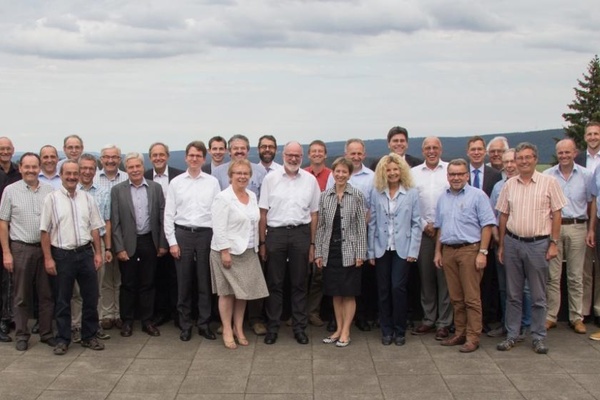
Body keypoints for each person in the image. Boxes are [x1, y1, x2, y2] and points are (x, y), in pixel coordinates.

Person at [496, 142, 566, 354]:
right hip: (513, 243)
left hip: (538, 244)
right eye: (520, 158)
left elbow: (557, 214)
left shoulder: (549, 182)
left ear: (535, 159)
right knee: (513, 294)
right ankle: (512, 335)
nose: (523, 161)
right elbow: (504, 215)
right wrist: (501, 244)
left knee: (537, 295)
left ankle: (538, 336)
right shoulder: (509, 185)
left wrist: (553, 243)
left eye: (528, 157)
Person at [40, 160, 105, 355]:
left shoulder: (87, 198)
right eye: (68, 173)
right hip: (62, 255)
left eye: (75, 173)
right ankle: (63, 339)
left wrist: (98, 253)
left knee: (91, 297)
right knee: (63, 299)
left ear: (79, 176)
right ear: (61, 175)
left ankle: (89, 336)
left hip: (85, 253)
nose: (72, 177)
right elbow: (44, 231)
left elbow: (95, 227)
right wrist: (48, 258)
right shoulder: (51, 199)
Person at [259, 141, 320, 345]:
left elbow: (314, 214)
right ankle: (273, 327)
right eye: (290, 154)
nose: (293, 158)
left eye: (297, 155)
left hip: (301, 234)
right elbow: (263, 213)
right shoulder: (271, 179)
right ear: (283, 154)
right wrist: (262, 242)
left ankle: (300, 328)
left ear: (302, 157)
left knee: (300, 283)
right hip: (275, 234)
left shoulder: (310, 180)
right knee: (274, 283)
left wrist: (312, 244)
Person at [433, 159, 496, 353]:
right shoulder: (443, 198)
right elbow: (440, 228)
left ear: (467, 176)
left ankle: (473, 336)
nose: (456, 177)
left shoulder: (478, 196)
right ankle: (459, 333)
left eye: (460, 174)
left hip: (470, 250)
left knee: (471, 298)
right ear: (448, 176)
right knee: (456, 297)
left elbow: (487, 225)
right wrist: (438, 251)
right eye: (452, 174)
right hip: (449, 251)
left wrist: (483, 252)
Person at [164, 141, 221, 342]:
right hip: (183, 235)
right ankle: (185, 324)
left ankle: (204, 324)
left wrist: (217, 241)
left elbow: (217, 212)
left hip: (206, 234)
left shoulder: (212, 182)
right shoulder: (176, 183)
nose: (195, 158)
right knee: (184, 282)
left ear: (203, 159)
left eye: (198, 155)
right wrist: (172, 242)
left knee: (205, 282)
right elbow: (169, 214)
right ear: (186, 157)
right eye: (191, 155)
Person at [210, 159, 269, 349]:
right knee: (227, 293)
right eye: (238, 173)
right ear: (230, 176)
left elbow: (254, 222)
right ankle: (227, 329)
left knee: (243, 294)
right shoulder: (223, 198)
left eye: (245, 173)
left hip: (248, 252)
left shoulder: (251, 195)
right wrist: (225, 252)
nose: (242, 176)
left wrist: (258, 246)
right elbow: (218, 228)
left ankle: (238, 328)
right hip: (227, 252)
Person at [0, 153, 55, 351]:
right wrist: (6, 252)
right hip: (20, 247)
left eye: (34, 167)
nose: (31, 170)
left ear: (39, 169)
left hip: (45, 248)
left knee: (46, 294)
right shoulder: (10, 191)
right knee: (21, 295)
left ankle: (47, 333)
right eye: (27, 167)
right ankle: (22, 335)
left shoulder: (49, 191)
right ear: (21, 168)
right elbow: (3, 223)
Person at [111, 152, 168, 337]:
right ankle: (127, 321)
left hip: (149, 240)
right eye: (130, 167)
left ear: (143, 167)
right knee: (127, 284)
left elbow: (161, 218)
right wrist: (119, 248)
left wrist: (162, 244)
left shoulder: (155, 188)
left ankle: (147, 321)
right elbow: (115, 221)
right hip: (128, 242)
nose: (135, 170)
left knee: (148, 283)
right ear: (125, 169)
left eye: (138, 166)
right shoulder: (118, 190)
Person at [369, 154, 421, 346]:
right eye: (388, 170)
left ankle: (400, 330)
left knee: (397, 288)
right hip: (382, 247)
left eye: (395, 169)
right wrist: (370, 251)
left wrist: (413, 250)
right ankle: (386, 330)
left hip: (403, 248)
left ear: (402, 171)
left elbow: (416, 223)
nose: (392, 173)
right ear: (383, 172)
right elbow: (372, 222)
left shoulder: (411, 192)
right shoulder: (377, 192)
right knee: (383, 290)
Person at [544, 138, 594, 334]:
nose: (564, 156)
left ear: (575, 153)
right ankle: (551, 316)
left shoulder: (586, 175)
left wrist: (590, 229)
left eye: (568, 152)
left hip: (577, 226)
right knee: (553, 276)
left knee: (575, 275)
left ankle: (576, 317)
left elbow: (592, 204)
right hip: (554, 228)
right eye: (560, 153)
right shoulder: (548, 175)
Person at [315, 157, 367, 347]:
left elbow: (361, 227)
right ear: (333, 172)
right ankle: (338, 328)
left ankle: (346, 331)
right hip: (331, 250)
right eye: (337, 171)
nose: (340, 175)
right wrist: (319, 252)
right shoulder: (325, 196)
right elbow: (321, 227)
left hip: (350, 251)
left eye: (345, 172)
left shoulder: (357, 195)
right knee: (335, 293)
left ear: (349, 174)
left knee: (348, 293)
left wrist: (361, 254)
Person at [326, 139, 375, 331]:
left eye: (359, 153)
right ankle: (336, 321)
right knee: (336, 282)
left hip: (358, 235)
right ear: (346, 154)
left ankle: (359, 317)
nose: (355, 157)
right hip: (336, 237)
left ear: (364, 154)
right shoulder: (334, 176)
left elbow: (371, 208)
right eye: (352, 153)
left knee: (357, 281)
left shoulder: (370, 177)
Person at [487, 149, 532, 340]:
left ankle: (526, 324)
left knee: (525, 287)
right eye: (506, 162)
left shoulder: (530, 185)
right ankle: (508, 325)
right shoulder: (498, 187)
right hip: (503, 243)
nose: (510, 165)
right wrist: (497, 237)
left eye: (512, 161)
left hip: (526, 241)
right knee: (505, 287)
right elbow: (492, 215)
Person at [410, 137, 452, 339]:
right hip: (423, 231)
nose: (432, 151)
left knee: (444, 279)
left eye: (435, 147)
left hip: (447, 232)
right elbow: (411, 203)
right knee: (426, 277)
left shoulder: (449, 170)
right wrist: (424, 224)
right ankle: (428, 319)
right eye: (428, 148)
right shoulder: (414, 173)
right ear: (422, 150)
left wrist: (440, 226)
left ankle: (444, 322)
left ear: (441, 149)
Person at [71, 154, 113, 343]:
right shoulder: (69, 191)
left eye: (91, 169)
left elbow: (107, 222)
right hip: (75, 245)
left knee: (96, 289)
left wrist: (107, 248)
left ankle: (93, 327)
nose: (87, 172)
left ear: (96, 171)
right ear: (78, 170)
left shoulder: (103, 193)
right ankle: (76, 326)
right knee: (76, 291)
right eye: (84, 168)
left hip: (98, 245)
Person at [144, 142, 184, 328]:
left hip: (176, 231)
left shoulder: (179, 176)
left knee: (176, 275)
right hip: (153, 234)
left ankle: (178, 312)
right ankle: (161, 312)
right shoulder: (143, 177)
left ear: (167, 156)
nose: (158, 158)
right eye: (154, 155)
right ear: (150, 157)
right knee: (156, 275)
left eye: (161, 154)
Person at [94, 144, 128, 331]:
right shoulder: (93, 178)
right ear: (101, 158)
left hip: (123, 236)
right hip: (101, 235)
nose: (110, 160)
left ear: (120, 159)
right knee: (106, 277)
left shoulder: (126, 177)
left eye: (114, 157)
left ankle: (120, 314)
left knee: (122, 277)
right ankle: (107, 314)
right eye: (106, 157)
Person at [305, 140, 333, 330]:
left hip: (325, 229)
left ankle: (312, 311)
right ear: (309, 155)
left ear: (325, 154)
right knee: (300, 274)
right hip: (303, 228)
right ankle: (298, 312)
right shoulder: (301, 175)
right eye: (313, 151)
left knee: (319, 274)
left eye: (320, 151)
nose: (317, 154)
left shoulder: (332, 175)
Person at [575, 121, 600, 327]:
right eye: (589, 134)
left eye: (596, 133)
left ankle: (598, 310)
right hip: (588, 220)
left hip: (595, 217)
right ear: (585, 137)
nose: (593, 137)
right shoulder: (579, 158)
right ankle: (583, 311)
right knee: (584, 269)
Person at [0, 137, 21, 341]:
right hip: (2, 226)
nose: (5, 151)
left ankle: (8, 316)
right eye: (1, 149)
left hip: (13, 232)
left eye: (8, 148)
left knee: (10, 278)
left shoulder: (18, 172)